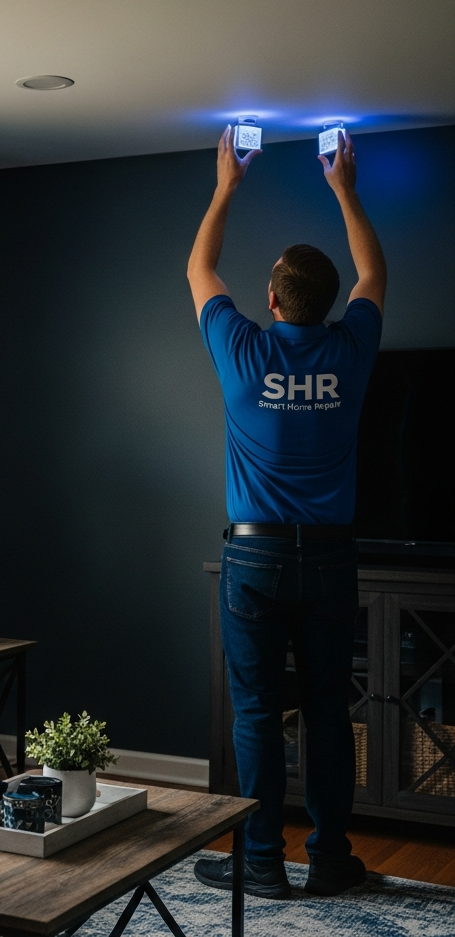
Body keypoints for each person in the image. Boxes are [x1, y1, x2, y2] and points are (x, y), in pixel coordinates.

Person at [187, 127, 386, 899]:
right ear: (329, 303)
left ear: (270, 301)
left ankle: (262, 863)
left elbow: (201, 267)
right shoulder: (353, 348)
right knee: (331, 714)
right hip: (331, 558)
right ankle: (330, 857)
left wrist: (228, 184)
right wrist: (344, 186)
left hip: (254, 560)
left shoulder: (242, 348)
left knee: (258, 714)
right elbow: (372, 269)